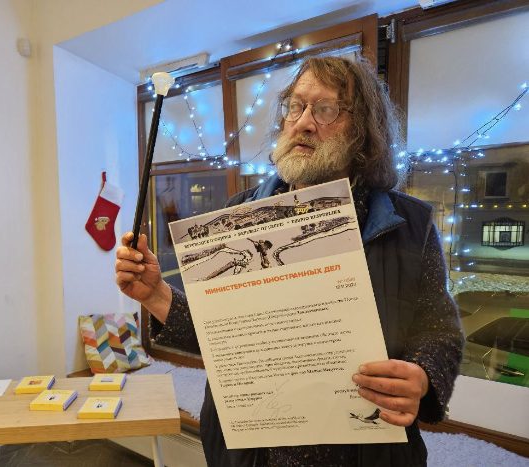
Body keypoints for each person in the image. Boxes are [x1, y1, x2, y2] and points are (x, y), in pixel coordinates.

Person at [115, 55, 463, 467]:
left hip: (368, 450)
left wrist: (422, 377)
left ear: (363, 131)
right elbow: (223, 339)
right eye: (296, 106)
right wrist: (156, 295)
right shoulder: (238, 216)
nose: (304, 123)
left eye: (326, 109)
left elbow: (439, 332)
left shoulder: (410, 224)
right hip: (250, 453)